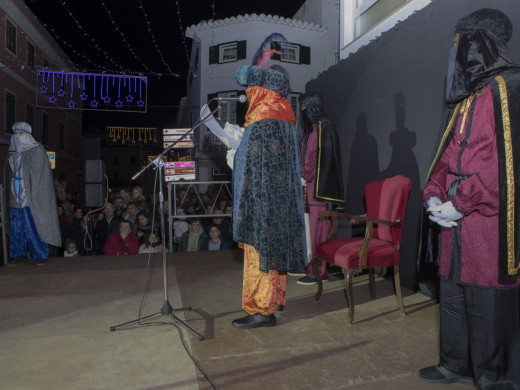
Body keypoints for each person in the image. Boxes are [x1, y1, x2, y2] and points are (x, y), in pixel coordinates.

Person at [419, 9, 520, 388]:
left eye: (458, 43)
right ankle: (454, 363)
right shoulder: (467, 98)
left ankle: (495, 378)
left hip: (487, 221)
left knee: (486, 299)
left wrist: (462, 202)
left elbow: (507, 169)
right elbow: (446, 158)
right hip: (454, 216)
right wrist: (433, 196)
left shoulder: (510, 88)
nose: (454, 51)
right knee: (453, 293)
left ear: (477, 43)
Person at [230, 33, 307, 329]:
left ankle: (261, 309)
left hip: (261, 205)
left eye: (251, 90)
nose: (248, 95)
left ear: (260, 91)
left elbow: (254, 167)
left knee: (259, 254)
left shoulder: (263, 121)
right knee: (272, 253)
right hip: (276, 204)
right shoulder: (284, 116)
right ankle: (269, 306)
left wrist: (236, 159)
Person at [289, 92, 345, 286]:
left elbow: (316, 157)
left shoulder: (323, 127)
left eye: (304, 107)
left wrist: (305, 175)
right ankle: (308, 265)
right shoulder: (313, 128)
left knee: (318, 231)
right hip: (308, 188)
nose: (301, 110)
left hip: (318, 191)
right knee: (308, 231)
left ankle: (318, 272)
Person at [4, 121, 62, 265]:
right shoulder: (12, 152)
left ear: (27, 135)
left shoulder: (37, 150)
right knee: (16, 226)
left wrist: (32, 189)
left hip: (31, 196)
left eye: (20, 134)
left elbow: (41, 174)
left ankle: (40, 254)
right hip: (14, 194)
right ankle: (17, 254)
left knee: (34, 225)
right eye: (15, 134)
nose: (17, 137)